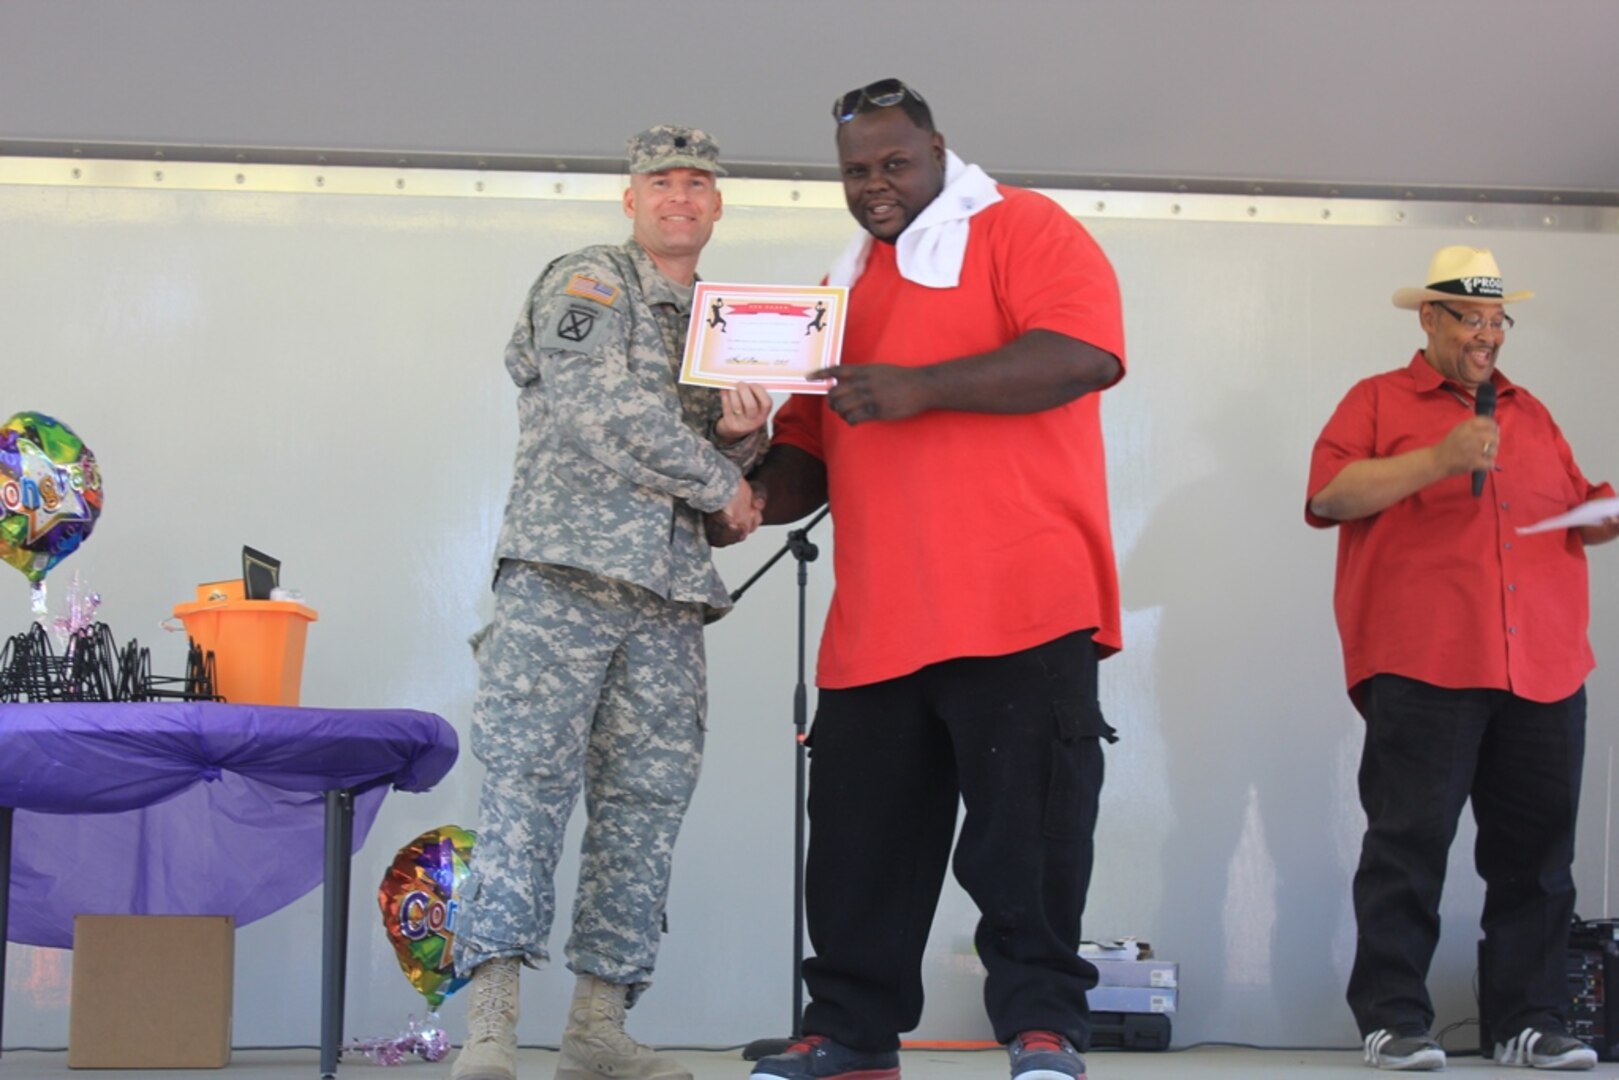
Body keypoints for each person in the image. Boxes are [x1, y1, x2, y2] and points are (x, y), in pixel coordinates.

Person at [718, 78, 1127, 1080]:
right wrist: (741, 466)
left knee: (1025, 843)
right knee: (859, 850)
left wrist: (917, 387)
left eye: (893, 163)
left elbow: (1082, 354)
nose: (874, 186)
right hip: (879, 620)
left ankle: (1041, 1025)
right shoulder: (843, 281)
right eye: (854, 171)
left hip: (1022, 601)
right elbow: (809, 460)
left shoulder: (1020, 226)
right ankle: (853, 1032)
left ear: (937, 150)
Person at [448, 125, 771, 1080]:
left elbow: (722, 485)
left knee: (644, 809)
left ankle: (596, 1025)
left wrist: (745, 440)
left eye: (699, 184)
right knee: (522, 795)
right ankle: (492, 1030)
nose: (681, 197)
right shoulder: (589, 279)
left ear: (717, 205)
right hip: (561, 580)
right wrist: (723, 479)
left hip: (667, 599)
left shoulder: (720, 319)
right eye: (661, 182)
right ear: (629, 199)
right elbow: (598, 409)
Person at [1306, 246, 1618, 1072]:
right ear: (1429, 320)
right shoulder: (1376, 399)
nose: (1486, 337)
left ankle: (1529, 1020)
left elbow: (1564, 502)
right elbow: (1329, 496)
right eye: (1470, 320)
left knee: (1539, 860)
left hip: (1543, 665)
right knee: (1406, 847)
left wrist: (1597, 513)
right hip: (1427, 661)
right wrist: (1438, 459)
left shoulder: (1533, 412)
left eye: (1495, 321)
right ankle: (1391, 1019)